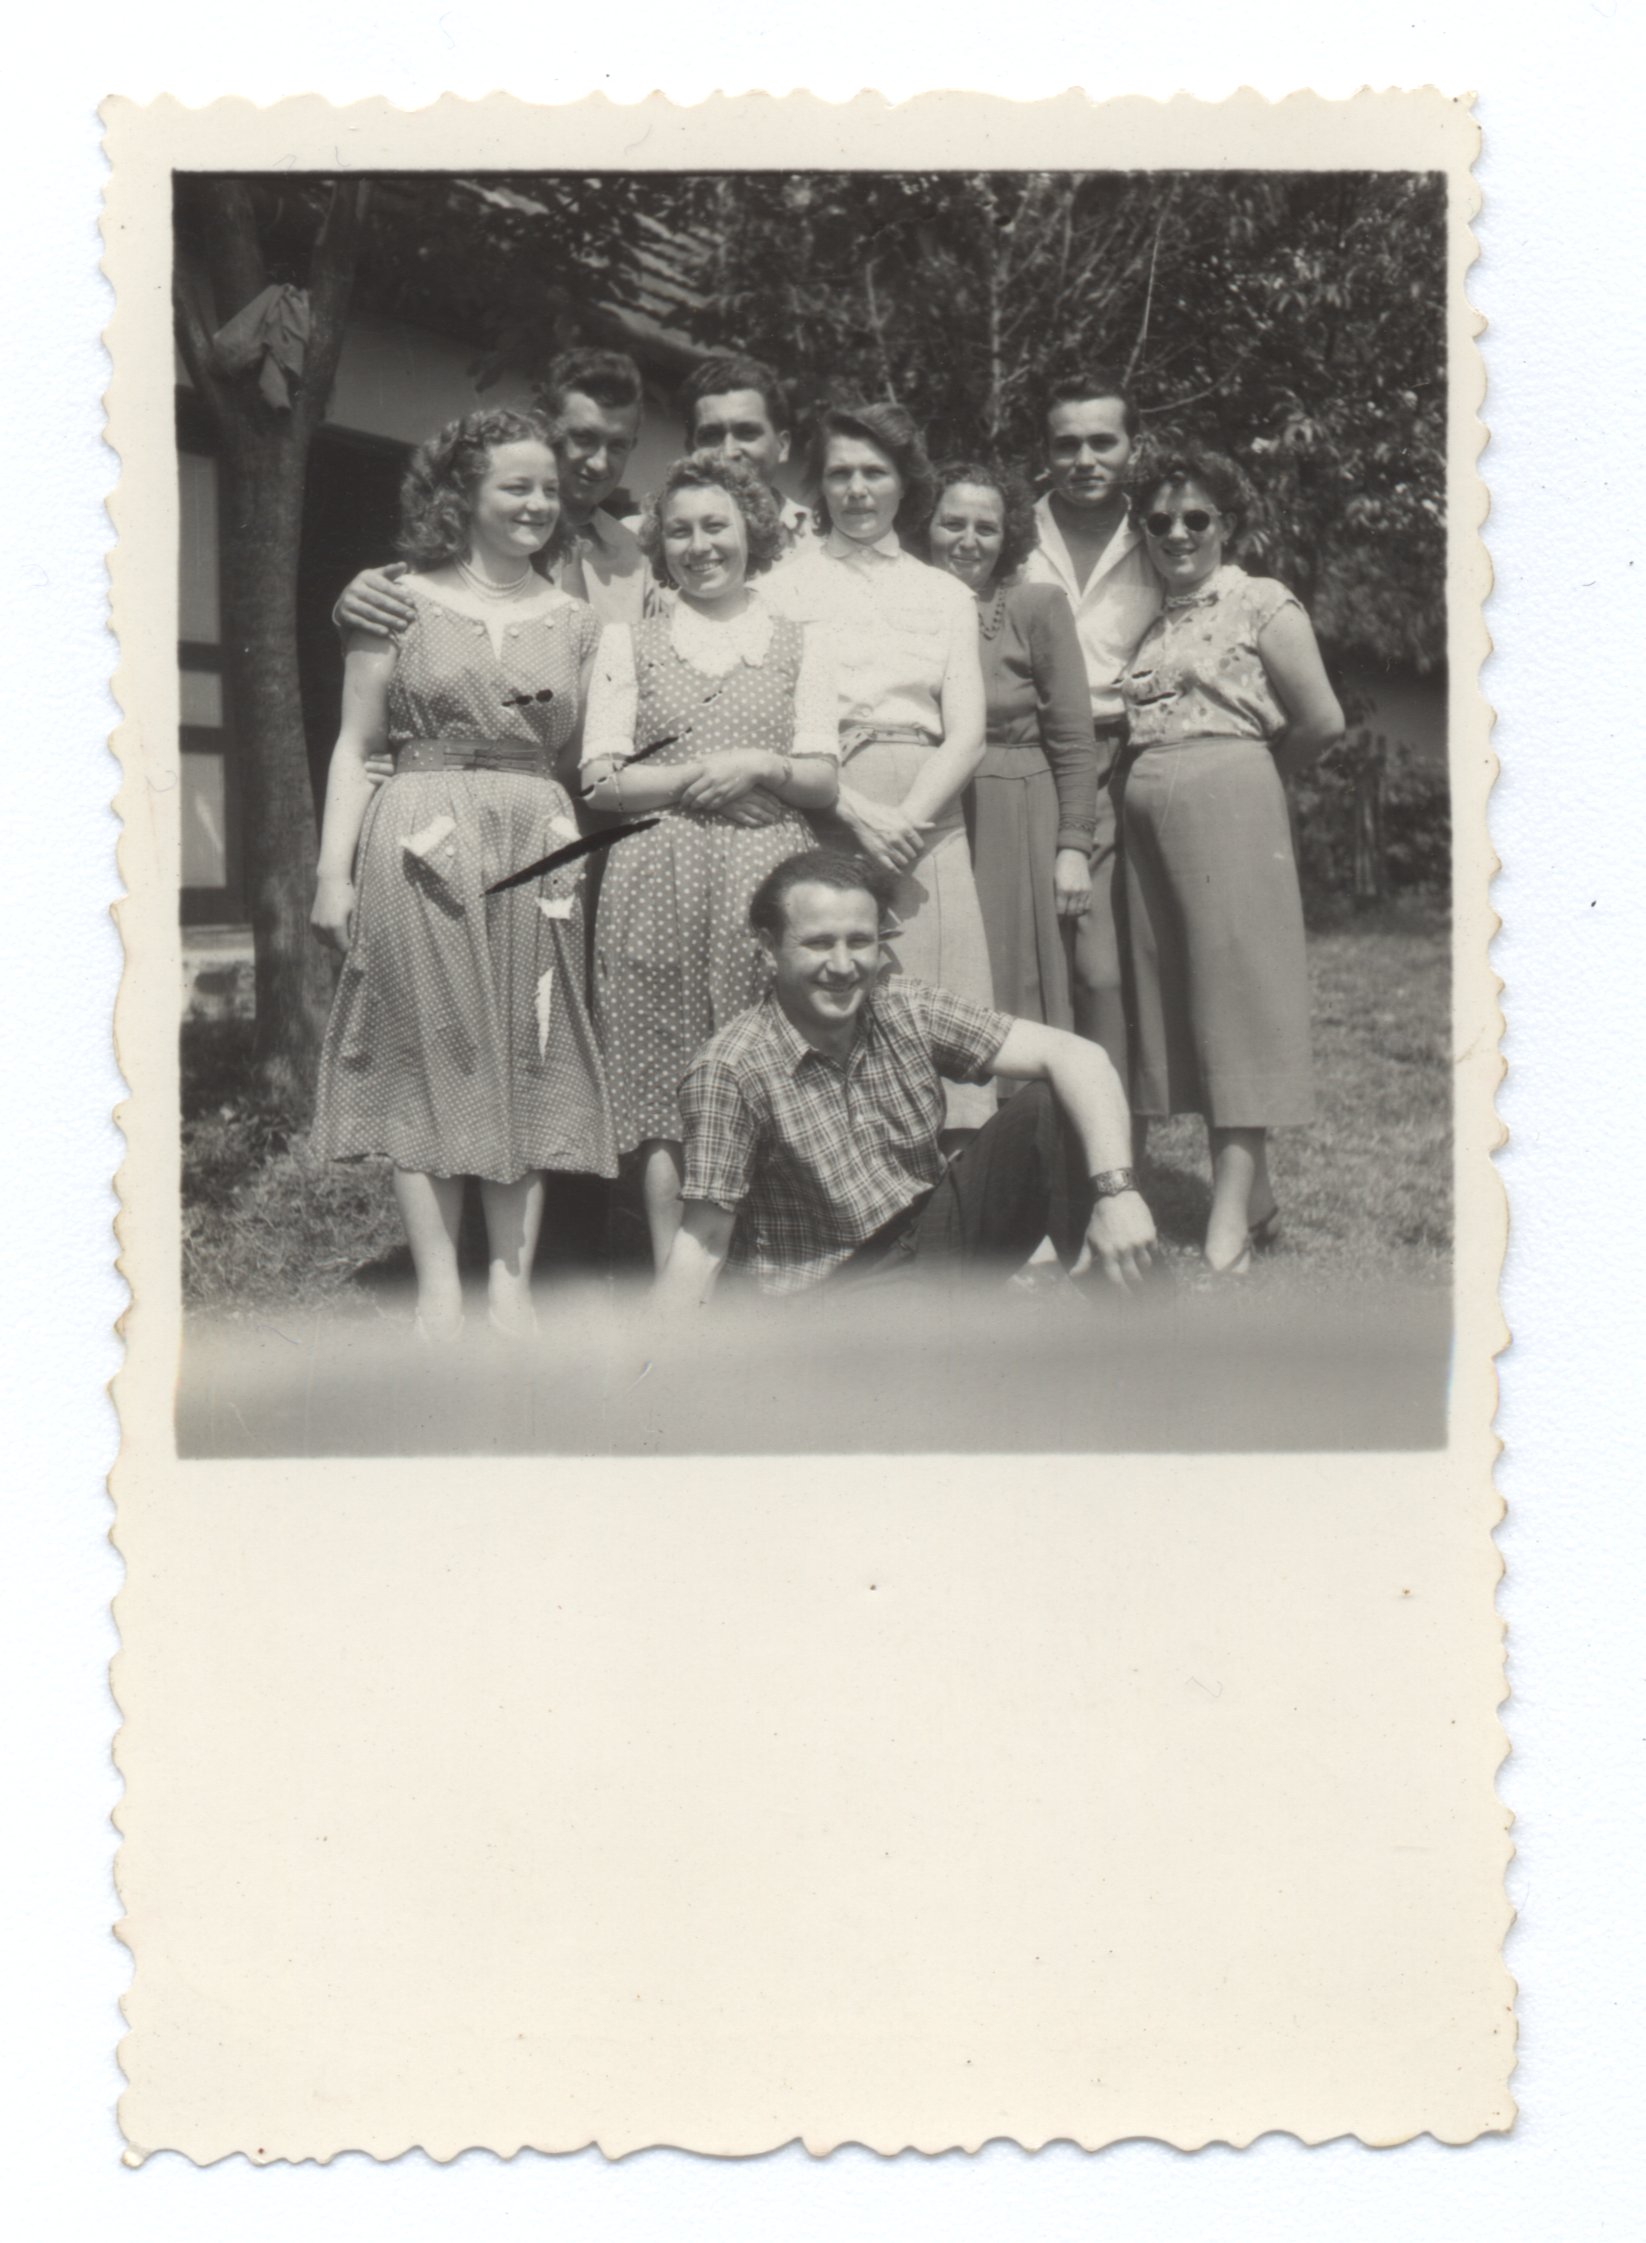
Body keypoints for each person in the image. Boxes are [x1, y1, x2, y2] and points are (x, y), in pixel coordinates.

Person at [308, 407, 617, 1340]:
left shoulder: (580, 621)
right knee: (425, 1049)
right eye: (515, 486)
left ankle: (510, 1286)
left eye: (549, 489)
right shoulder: (394, 602)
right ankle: (439, 1288)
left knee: (530, 1045)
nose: (537, 504)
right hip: (419, 833)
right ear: (462, 493)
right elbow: (355, 743)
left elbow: (589, 755)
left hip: (535, 839)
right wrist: (331, 874)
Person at [657, 850, 1158, 1305]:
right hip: (828, 1297)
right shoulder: (731, 1069)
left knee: (1054, 1107)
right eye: (819, 943)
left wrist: (1119, 1196)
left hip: (927, 1236)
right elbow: (704, 1241)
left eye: (859, 941)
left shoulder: (904, 1007)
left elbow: (1079, 1055)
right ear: (770, 948)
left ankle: (1153, 1338)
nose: (842, 966)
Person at [579, 453, 841, 1270]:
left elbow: (823, 777)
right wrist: (711, 779)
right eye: (680, 531)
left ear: (752, 530)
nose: (699, 546)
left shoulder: (799, 641)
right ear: (660, 544)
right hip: (655, 877)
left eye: (716, 525)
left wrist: (761, 766)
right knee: (665, 1076)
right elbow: (601, 779)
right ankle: (676, 1275)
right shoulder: (629, 641)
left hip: (765, 882)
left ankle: (774, 1263)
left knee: (770, 1063)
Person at [1115, 441, 1344, 1274]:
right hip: (1148, 812)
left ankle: (1227, 1225)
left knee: (1236, 1004)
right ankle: (1260, 1198)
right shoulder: (1152, 616)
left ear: (1228, 523)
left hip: (1230, 799)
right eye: (1160, 521)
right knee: (1178, 1002)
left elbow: (1321, 720)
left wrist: (1248, 779)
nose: (1177, 533)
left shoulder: (1260, 601)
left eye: (1196, 518)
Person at [761, 401, 994, 1144]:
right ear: (819, 485)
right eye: (839, 474)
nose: (857, 490)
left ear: (904, 482)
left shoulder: (945, 593)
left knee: (939, 1003)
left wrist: (906, 823)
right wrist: (859, 814)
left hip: (929, 819)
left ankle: (956, 1187)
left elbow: (968, 733)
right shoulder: (781, 588)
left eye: (874, 473)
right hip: (824, 805)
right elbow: (778, 722)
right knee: (835, 998)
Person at [1021, 370, 1164, 1076]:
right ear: (1043, 452)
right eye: (1066, 444)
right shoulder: (1013, 533)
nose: (1084, 460)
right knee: (1042, 955)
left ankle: (1119, 1134)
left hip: (1131, 756)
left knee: (1114, 965)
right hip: (1029, 753)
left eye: (1102, 442)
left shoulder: (1162, 532)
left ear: (1133, 446)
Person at [925, 459, 1096, 1031]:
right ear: (926, 524)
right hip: (923, 805)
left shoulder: (1036, 606)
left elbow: (1073, 738)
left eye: (986, 528)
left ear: (1008, 537)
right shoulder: (900, 604)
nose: (968, 541)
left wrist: (1073, 847)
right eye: (952, 523)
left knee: (1011, 981)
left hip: (1012, 813)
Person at [332, 348, 652, 641]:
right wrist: (357, 603)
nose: (599, 463)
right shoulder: (472, 529)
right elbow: (403, 608)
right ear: (544, 424)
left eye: (618, 446)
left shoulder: (640, 558)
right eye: (583, 438)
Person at [677, 353, 814, 554]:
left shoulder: (819, 541)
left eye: (747, 433)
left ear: (782, 446)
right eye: (711, 436)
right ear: (691, 450)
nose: (729, 452)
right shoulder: (643, 544)